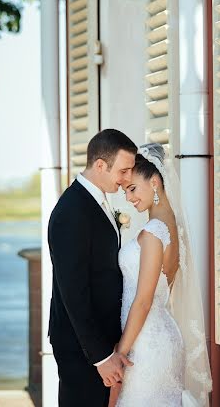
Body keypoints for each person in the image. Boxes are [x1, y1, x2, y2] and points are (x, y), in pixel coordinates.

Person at [113, 143, 212, 407]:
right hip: (158, 336)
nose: (129, 198)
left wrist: (119, 353)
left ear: (155, 182)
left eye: (132, 188)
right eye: (124, 191)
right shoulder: (171, 226)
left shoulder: (155, 231)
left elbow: (144, 300)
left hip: (146, 345)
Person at [48, 129, 137, 407]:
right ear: (100, 165)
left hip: (98, 340)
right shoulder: (71, 211)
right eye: (123, 171)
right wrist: (101, 356)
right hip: (81, 347)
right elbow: (73, 292)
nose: (127, 180)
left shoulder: (94, 202)